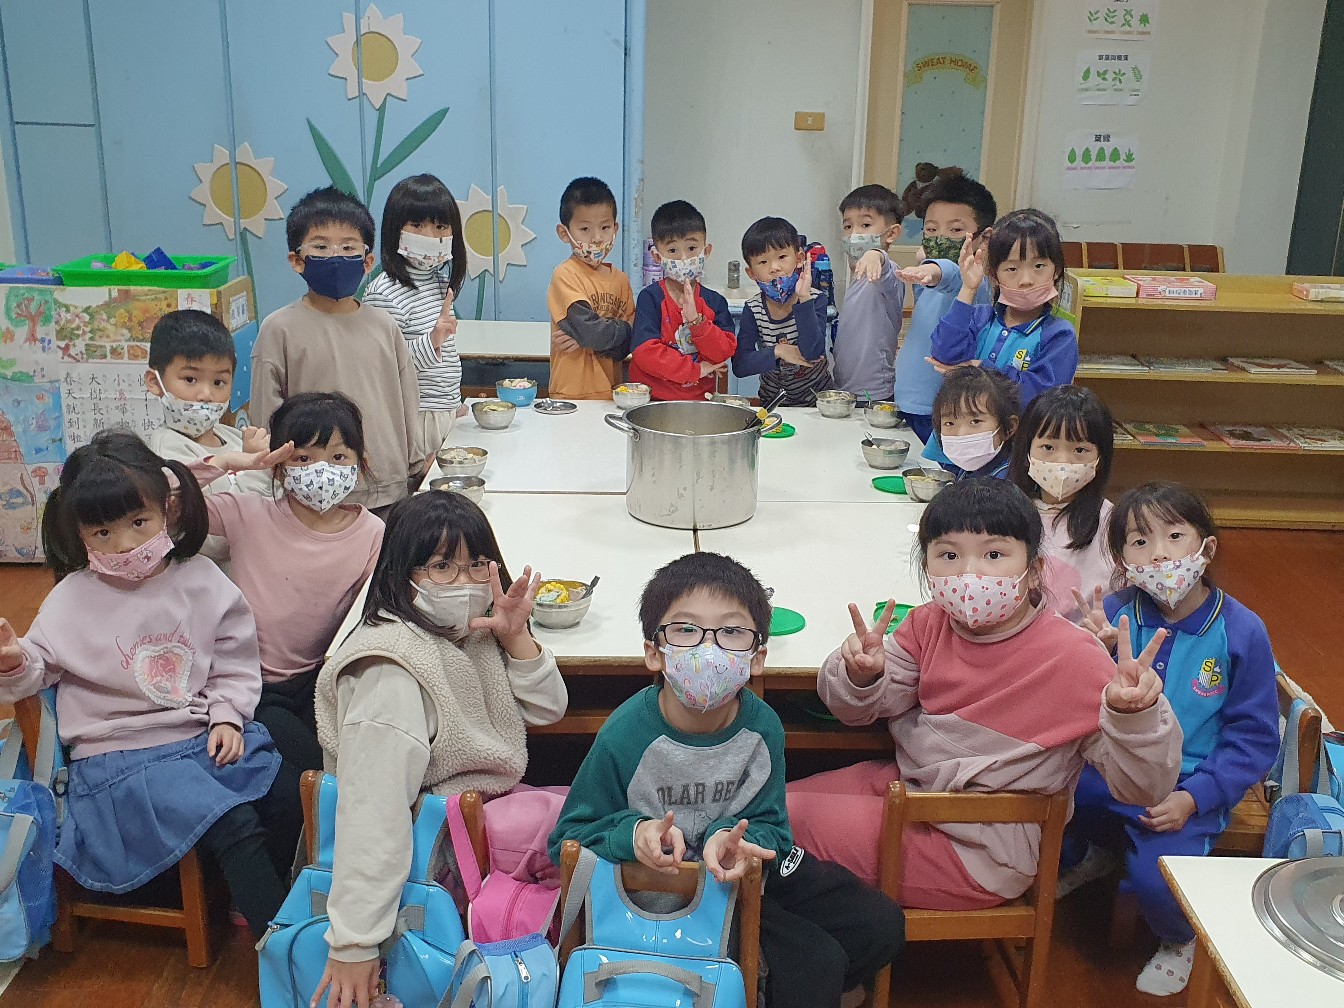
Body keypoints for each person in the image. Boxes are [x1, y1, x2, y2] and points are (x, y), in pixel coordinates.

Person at [786, 478, 1182, 915]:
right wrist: (861, 675)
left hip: (980, 850)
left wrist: (1136, 716)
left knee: (771, 824)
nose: (970, 573)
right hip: (916, 791)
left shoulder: (1074, 657)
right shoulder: (928, 623)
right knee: (767, 804)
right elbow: (854, 711)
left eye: (994, 555)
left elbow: (1144, 788)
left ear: (1034, 568)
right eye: (949, 555)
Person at [549, 552, 905, 1008]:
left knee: (881, 924)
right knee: (816, 964)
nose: (709, 649)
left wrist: (735, 840)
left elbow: (773, 828)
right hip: (671, 896)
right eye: (686, 629)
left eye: (732, 632)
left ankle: (765, 983)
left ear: (758, 657)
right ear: (654, 652)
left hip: (745, 874)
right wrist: (634, 835)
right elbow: (568, 839)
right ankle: (764, 980)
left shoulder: (763, 727)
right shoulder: (625, 734)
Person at [0, 429, 300, 938]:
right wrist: (12, 661)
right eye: (102, 533)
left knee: (289, 791)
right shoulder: (72, 597)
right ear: (78, 534)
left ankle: (262, 904)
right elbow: (36, 671)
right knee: (235, 824)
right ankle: (285, 950)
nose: (125, 544)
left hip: (196, 737)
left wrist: (227, 716)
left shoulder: (202, 579)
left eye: (139, 522)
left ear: (168, 509)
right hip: (119, 761)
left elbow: (233, 664)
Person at [311, 491, 567, 1007]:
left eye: (476, 565)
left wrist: (516, 637)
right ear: (401, 574)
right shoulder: (389, 672)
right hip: (431, 854)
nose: (464, 582)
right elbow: (373, 813)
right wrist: (356, 943)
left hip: (476, 824)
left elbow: (548, 709)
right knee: (589, 836)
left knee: (589, 822)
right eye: (442, 567)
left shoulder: (465, 633)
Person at [1060, 482, 1279, 997]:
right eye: (1140, 542)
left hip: (1186, 787)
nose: (1159, 554)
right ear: (1122, 560)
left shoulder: (1241, 630)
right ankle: (1099, 851)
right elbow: (1072, 704)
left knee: (1159, 883)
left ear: (1207, 547)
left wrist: (1196, 796)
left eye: (1175, 536)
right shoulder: (1113, 613)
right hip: (1113, 772)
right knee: (1049, 803)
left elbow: (1252, 737)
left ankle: (1181, 938)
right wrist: (1090, 653)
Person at [187, 391, 383, 778]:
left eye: (338, 457)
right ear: (278, 467)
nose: (321, 470)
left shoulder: (373, 533)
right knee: (320, 770)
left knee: (353, 755)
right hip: (249, 682)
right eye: (303, 459)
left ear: (361, 464)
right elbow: (158, 502)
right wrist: (227, 462)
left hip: (322, 683)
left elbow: (368, 620)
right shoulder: (246, 514)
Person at [251, 185, 426, 514]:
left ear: (367, 261)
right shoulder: (279, 329)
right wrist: (270, 476)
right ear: (297, 260)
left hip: (387, 488)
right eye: (320, 247)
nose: (335, 257)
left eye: (348, 247)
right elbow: (266, 417)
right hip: (313, 492)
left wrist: (415, 466)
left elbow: (407, 402)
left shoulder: (385, 326)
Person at [144, 309, 270, 564]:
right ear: (155, 382)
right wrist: (257, 469)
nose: (206, 395)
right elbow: (214, 542)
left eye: (219, 382)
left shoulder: (233, 438)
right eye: (190, 379)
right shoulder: (165, 456)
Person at [362, 174, 470, 455]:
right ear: (395, 229)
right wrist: (432, 340)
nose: (430, 236)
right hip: (417, 417)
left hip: (444, 411)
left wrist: (452, 402)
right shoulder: (384, 292)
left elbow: (443, 359)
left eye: (440, 226)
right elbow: (384, 369)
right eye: (417, 225)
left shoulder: (437, 282)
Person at [929, 208, 1077, 409]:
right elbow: (945, 354)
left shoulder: (1059, 334)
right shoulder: (980, 318)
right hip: (966, 425)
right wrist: (968, 289)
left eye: (1039, 266)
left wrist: (981, 369)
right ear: (994, 276)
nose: (1026, 280)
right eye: (1012, 269)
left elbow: (1042, 396)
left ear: (1056, 270)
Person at [893, 175, 997, 444]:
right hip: (907, 401)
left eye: (955, 230)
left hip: (941, 410)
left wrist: (930, 268)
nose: (941, 238)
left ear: (984, 237)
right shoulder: (925, 279)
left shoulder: (975, 281)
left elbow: (948, 273)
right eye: (931, 229)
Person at [1008, 385, 1115, 625]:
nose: (1062, 461)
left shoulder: (1112, 523)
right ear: (1027, 450)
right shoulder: (1006, 511)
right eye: (1048, 447)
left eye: (1080, 450)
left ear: (1100, 458)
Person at [628, 200, 735, 401]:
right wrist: (694, 370)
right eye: (673, 251)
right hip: (653, 401)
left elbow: (723, 352)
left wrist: (696, 322)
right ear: (657, 257)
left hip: (700, 402)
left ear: (706, 251)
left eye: (692, 248)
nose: (684, 258)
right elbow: (645, 352)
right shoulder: (650, 298)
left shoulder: (715, 302)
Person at [548, 177, 636, 400]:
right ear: (564, 233)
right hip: (571, 393)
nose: (597, 238)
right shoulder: (565, 275)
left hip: (613, 393)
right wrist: (594, 336)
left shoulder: (621, 281)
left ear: (615, 228)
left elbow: (629, 342)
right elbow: (591, 331)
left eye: (605, 227)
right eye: (585, 229)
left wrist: (585, 339)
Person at [732, 217, 832, 407]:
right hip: (772, 404)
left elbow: (813, 352)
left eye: (782, 257)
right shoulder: (753, 308)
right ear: (751, 273)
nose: (774, 268)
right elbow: (740, 365)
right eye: (763, 262)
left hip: (817, 403)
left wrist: (804, 298)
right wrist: (778, 351)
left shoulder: (815, 299)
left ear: (799, 259)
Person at [832, 184, 905, 402]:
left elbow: (883, 264)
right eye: (848, 226)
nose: (854, 234)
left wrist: (876, 253)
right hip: (845, 386)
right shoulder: (858, 277)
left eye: (865, 225)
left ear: (891, 233)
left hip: (873, 392)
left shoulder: (888, 273)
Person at [931, 365, 1019, 480]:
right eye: (950, 423)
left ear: (1009, 427)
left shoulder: (1008, 481)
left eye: (975, 421)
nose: (961, 434)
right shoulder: (972, 471)